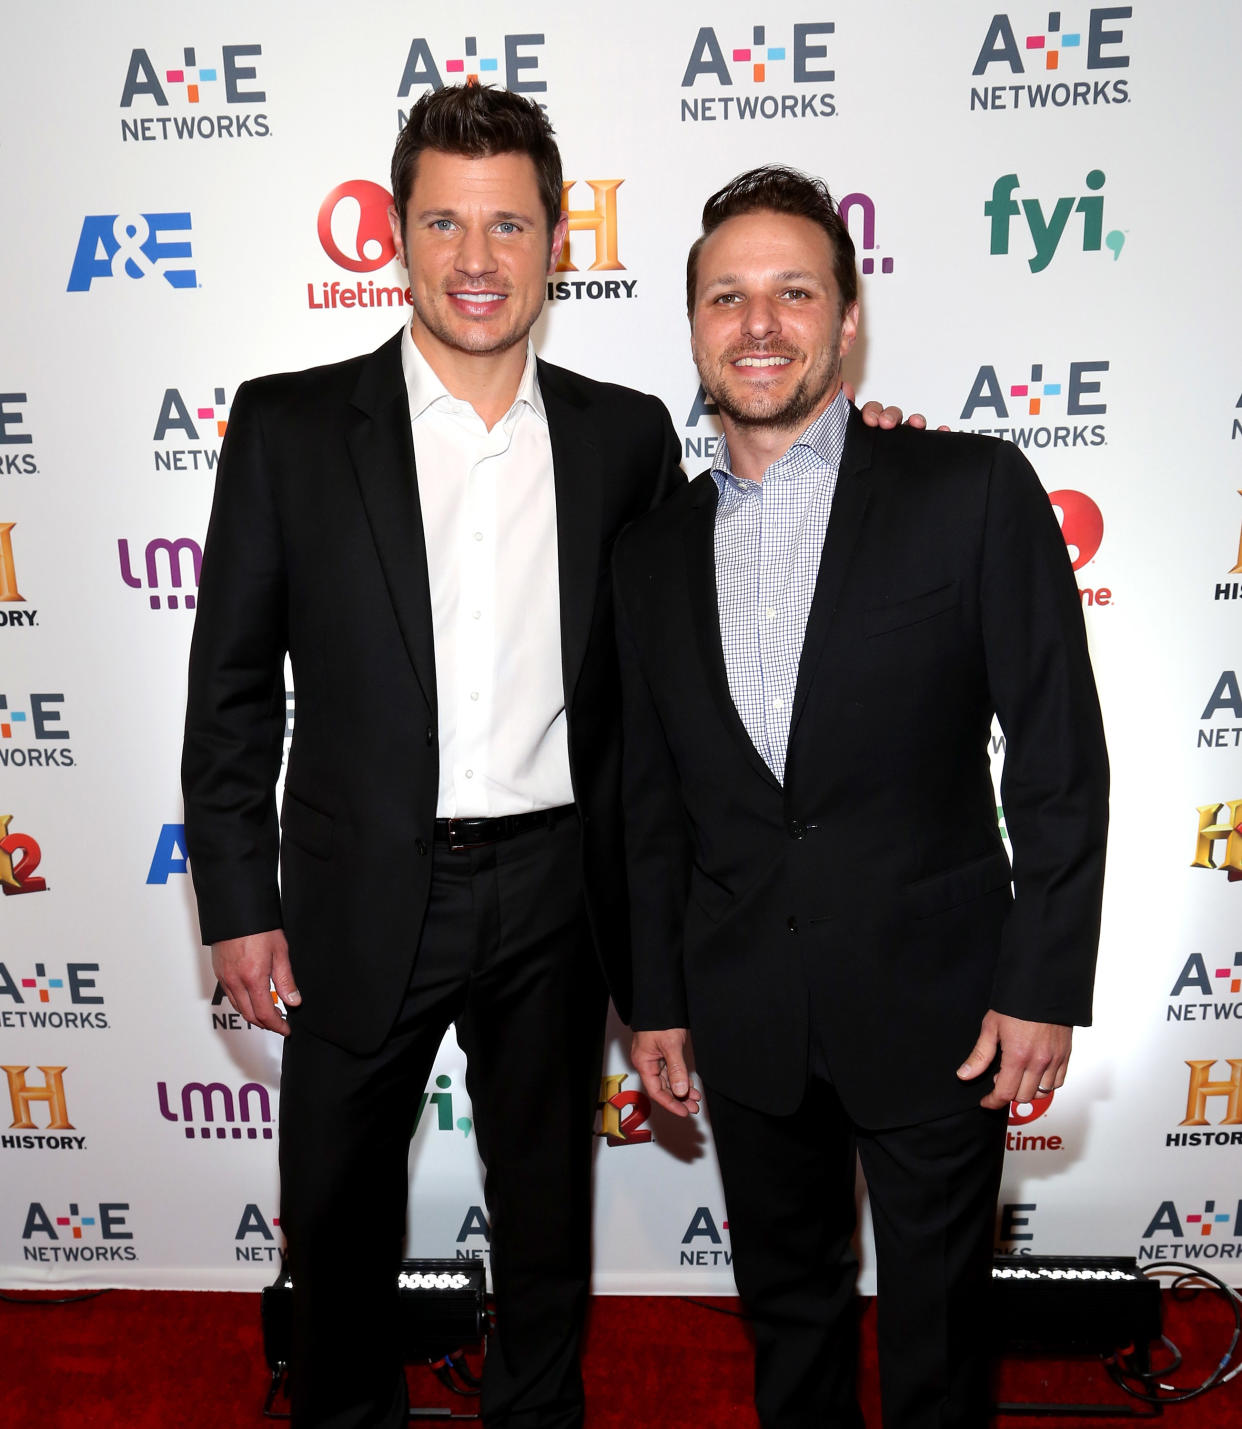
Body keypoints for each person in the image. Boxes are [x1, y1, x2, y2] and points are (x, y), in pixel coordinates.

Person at [182, 88, 912, 1428]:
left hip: (554, 896)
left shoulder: (622, 435)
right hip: (353, 891)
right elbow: (230, 689)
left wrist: (663, 944)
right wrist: (238, 901)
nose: (477, 254)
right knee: (335, 1220)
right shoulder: (287, 428)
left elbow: (656, 710)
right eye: (447, 221)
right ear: (396, 235)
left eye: (508, 221)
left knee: (543, 1232)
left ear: (556, 240)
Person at [614, 166, 1109, 1429]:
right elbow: (655, 800)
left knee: (942, 1336)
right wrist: (656, 998)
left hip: (942, 1003)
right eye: (728, 296)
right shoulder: (651, 550)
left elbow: (1056, 755)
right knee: (791, 1322)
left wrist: (1043, 980)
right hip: (747, 1010)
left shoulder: (969, 490)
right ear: (694, 326)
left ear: (846, 322)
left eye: (793, 292)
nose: (759, 322)